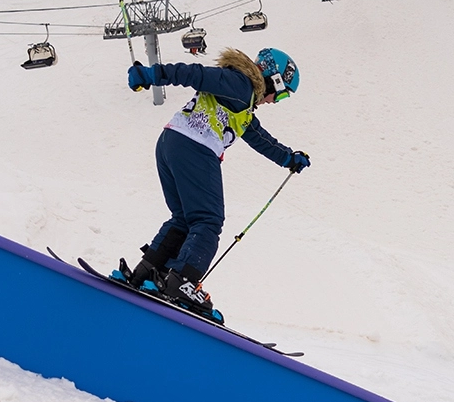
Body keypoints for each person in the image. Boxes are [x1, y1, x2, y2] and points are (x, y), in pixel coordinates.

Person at [116, 48, 309, 317]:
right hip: (195, 146)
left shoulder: (242, 102)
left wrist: (288, 158)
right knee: (208, 220)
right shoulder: (238, 84)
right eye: (282, 94)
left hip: (171, 143)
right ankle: (181, 282)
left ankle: (148, 272)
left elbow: (259, 138)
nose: (276, 101)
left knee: (183, 219)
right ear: (274, 80)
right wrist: (151, 75)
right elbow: (195, 74)